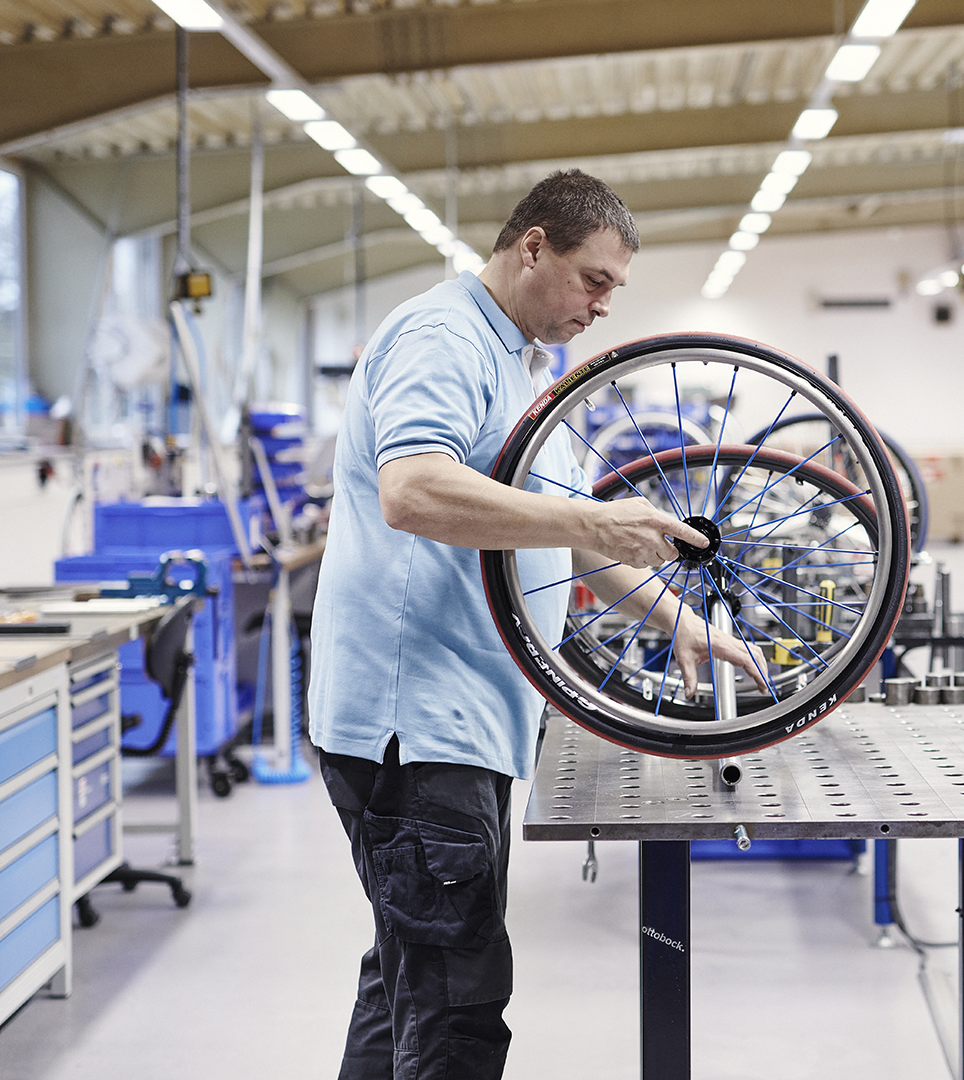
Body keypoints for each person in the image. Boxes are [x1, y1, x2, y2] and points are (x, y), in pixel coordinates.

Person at [308, 168, 760, 1079]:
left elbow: (551, 532)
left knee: (407, 984)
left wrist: (679, 619)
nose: (601, 307)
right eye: (593, 280)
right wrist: (598, 519)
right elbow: (413, 490)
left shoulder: (520, 365)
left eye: (613, 291)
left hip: (459, 719)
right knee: (454, 1013)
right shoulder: (445, 338)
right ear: (532, 247)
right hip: (417, 726)